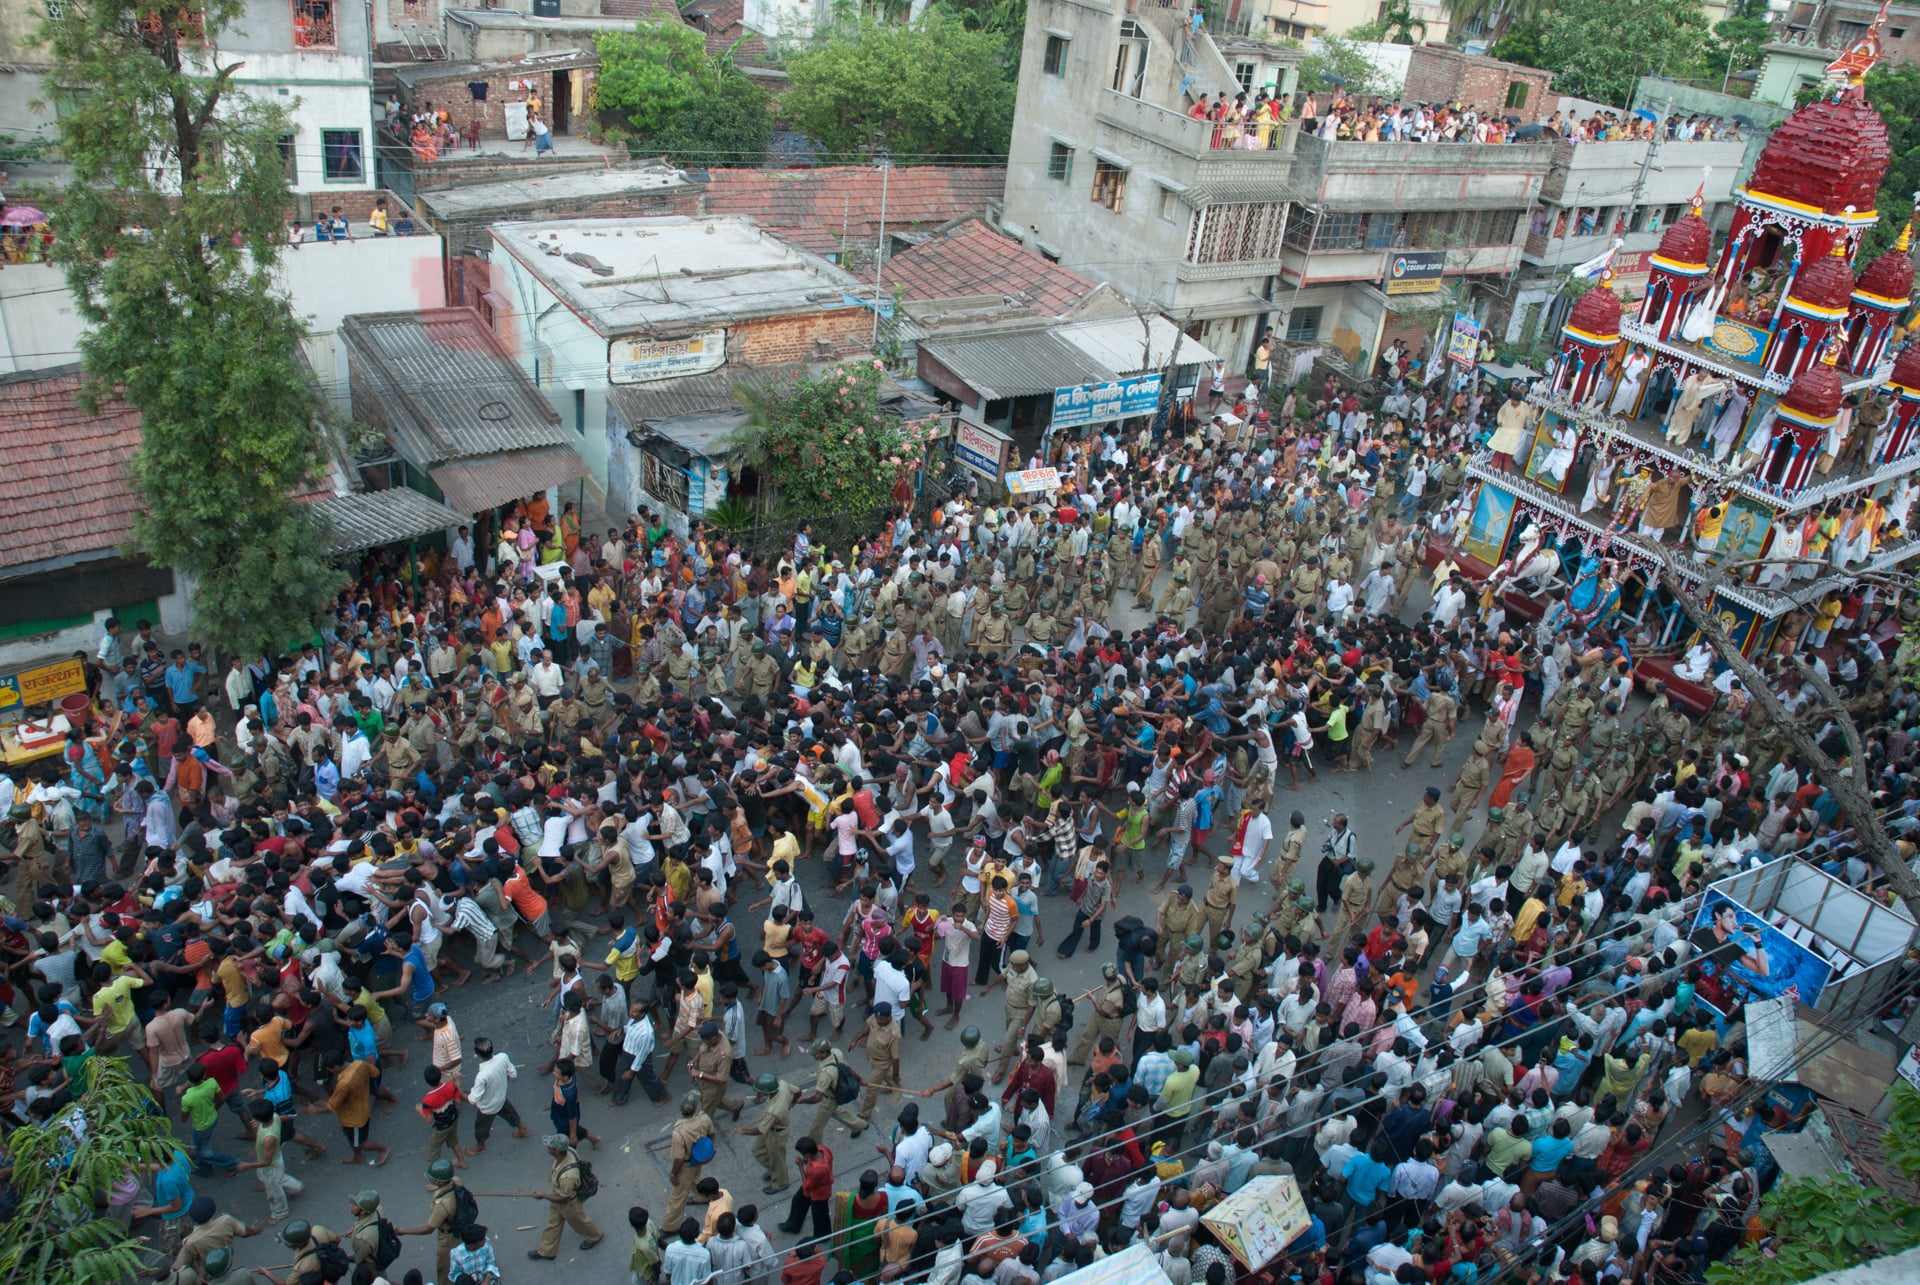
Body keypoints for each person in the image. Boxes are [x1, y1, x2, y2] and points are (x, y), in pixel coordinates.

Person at [530, 1133, 604, 1260]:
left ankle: (595, 1236)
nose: (548, 1148)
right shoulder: (569, 1151)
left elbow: (564, 1198)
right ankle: (546, 1251)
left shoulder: (568, 1176)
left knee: (580, 1222)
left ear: (557, 1152)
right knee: (553, 1224)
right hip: (558, 1196)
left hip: (568, 1203)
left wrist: (543, 1196)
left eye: (550, 1147)